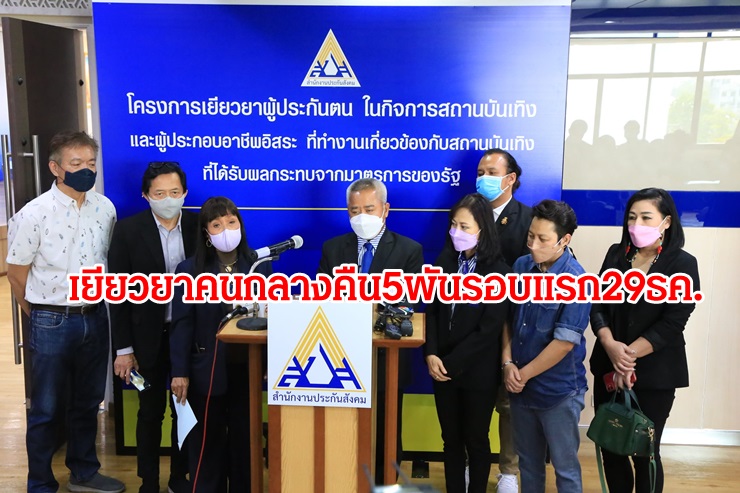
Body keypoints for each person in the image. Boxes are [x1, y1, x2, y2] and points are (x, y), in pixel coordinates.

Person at [6, 131, 124, 493]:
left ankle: (83, 472)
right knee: (46, 408)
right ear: (55, 168)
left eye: (90, 163)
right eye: (76, 163)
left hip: (96, 315)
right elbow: (16, 273)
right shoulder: (33, 214)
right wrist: (39, 314)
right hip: (51, 319)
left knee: (88, 401)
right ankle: (40, 483)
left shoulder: (105, 208)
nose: (86, 170)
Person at [590, 188, 700, 493]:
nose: (636, 224)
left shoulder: (682, 264)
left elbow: (674, 321)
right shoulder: (616, 254)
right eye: (632, 217)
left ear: (666, 222)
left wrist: (628, 356)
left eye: (646, 217)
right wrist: (610, 346)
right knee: (611, 446)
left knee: (644, 452)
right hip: (608, 367)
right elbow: (598, 305)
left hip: (655, 374)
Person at [318, 178, 423, 485]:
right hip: (340, 359)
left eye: (368, 209)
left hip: (386, 358)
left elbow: (408, 304)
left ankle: (386, 484)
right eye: (354, 210)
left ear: (385, 209)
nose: (361, 216)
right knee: (343, 434)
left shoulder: (408, 250)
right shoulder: (333, 248)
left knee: (385, 432)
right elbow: (322, 299)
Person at [169, 196, 272, 492]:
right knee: (207, 442)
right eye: (217, 225)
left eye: (231, 222)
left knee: (244, 440)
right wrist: (180, 372)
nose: (226, 229)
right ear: (206, 233)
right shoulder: (189, 270)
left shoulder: (259, 267)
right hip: (206, 368)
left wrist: (268, 362)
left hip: (247, 367)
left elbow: (268, 320)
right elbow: (182, 324)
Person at [109, 161, 197, 493]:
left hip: (187, 336)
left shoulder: (199, 226)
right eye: (159, 193)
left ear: (185, 193)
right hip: (146, 338)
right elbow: (117, 294)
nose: (168, 199)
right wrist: (124, 349)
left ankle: (179, 477)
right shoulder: (128, 231)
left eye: (174, 192)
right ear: (145, 195)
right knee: (149, 411)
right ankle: (149, 481)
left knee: (184, 409)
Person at [424, 193, 511, 493]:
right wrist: (431, 353)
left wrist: (451, 362)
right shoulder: (444, 262)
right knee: (450, 440)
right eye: (453, 225)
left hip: (477, 372)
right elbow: (432, 312)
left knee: (476, 440)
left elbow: (489, 329)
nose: (456, 232)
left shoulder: (498, 272)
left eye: (464, 227)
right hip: (441, 368)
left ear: (482, 230)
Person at [504, 199, 590, 493]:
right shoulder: (521, 266)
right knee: (528, 464)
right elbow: (508, 320)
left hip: (558, 391)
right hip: (520, 387)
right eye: (530, 236)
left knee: (565, 470)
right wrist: (507, 364)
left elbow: (564, 343)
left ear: (564, 240)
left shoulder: (577, 280)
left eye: (542, 239)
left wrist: (522, 374)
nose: (533, 245)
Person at [475, 148, 532, 492]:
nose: (483, 178)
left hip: (513, 323)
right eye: (480, 172)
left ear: (510, 178)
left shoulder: (527, 219)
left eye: (491, 172)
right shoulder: (468, 213)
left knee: (510, 402)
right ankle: (474, 462)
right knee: (476, 398)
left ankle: (509, 471)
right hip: (474, 324)